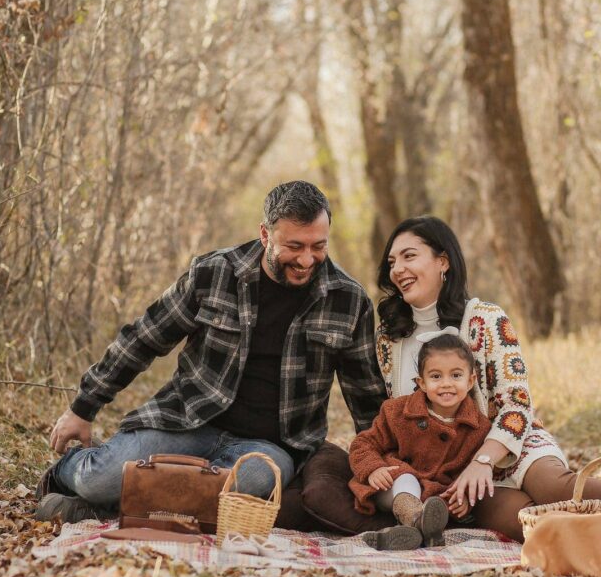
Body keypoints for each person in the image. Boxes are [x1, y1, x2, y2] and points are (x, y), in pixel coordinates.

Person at [33, 181, 395, 526]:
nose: (307, 259)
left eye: (319, 246)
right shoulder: (213, 273)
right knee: (99, 477)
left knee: (243, 488)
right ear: (265, 235)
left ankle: (107, 509)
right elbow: (144, 337)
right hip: (186, 422)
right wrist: (84, 407)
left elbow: (365, 395)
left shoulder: (349, 300)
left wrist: (388, 466)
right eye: (295, 246)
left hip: (270, 447)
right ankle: (75, 477)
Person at [373, 216, 601, 542]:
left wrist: (485, 459)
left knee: (555, 487)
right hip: (463, 478)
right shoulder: (390, 343)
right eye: (392, 262)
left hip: (511, 446)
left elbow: (517, 403)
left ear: (443, 262)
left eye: (409, 256)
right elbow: (399, 423)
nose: (398, 269)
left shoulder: (485, 319)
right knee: (533, 522)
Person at [349, 331, 491, 550]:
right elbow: (363, 444)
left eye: (456, 375)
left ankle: (407, 535)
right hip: (391, 484)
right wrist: (373, 469)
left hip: (436, 498)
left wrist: (463, 499)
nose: (446, 384)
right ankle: (417, 520)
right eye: (436, 376)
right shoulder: (397, 411)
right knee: (406, 479)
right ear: (422, 383)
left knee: (435, 506)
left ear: (471, 380)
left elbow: (469, 474)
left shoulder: (478, 428)